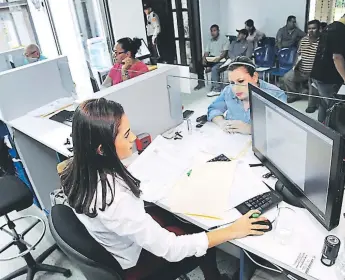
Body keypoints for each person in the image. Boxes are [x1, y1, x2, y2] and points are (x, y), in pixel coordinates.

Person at [60, 97, 269, 280]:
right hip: (134, 259)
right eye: (126, 135)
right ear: (101, 149)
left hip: (115, 239)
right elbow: (171, 249)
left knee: (177, 212)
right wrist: (233, 230)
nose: (133, 138)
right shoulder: (114, 200)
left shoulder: (75, 169)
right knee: (201, 231)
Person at [208, 57, 287, 135]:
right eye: (232, 82)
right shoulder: (228, 91)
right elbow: (213, 109)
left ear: (255, 77)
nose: (236, 88)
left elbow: (282, 127)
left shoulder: (276, 94)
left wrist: (250, 129)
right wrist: (222, 122)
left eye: (241, 81)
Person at [311, 14, 345, 123]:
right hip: (329, 78)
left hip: (318, 75)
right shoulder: (340, 30)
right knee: (334, 109)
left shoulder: (330, 27)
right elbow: (337, 57)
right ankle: (331, 135)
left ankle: (322, 131)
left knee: (324, 104)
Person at [283, 20, 321, 113]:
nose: (311, 31)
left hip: (314, 72)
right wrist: (294, 66)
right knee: (287, 77)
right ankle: (294, 95)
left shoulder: (322, 42)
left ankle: (312, 105)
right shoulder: (303, 40)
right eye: (309, 29)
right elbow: (298, 54)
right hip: (300, 70)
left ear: (319, 29)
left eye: (314, 28)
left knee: (313, 84)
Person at [194, 24, 229, 94]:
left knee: (214, 68)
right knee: (199, 63)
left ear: (218, 31)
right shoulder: (210, 40)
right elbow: (206, 52)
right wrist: (204, 58)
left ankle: (216, 87)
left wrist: (218, 59)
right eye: (211, 31)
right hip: (212, 58)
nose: (212, 33)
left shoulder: (224, 39)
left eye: (214, 31)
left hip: (221, 58)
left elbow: (224, 53)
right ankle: (201, 83)